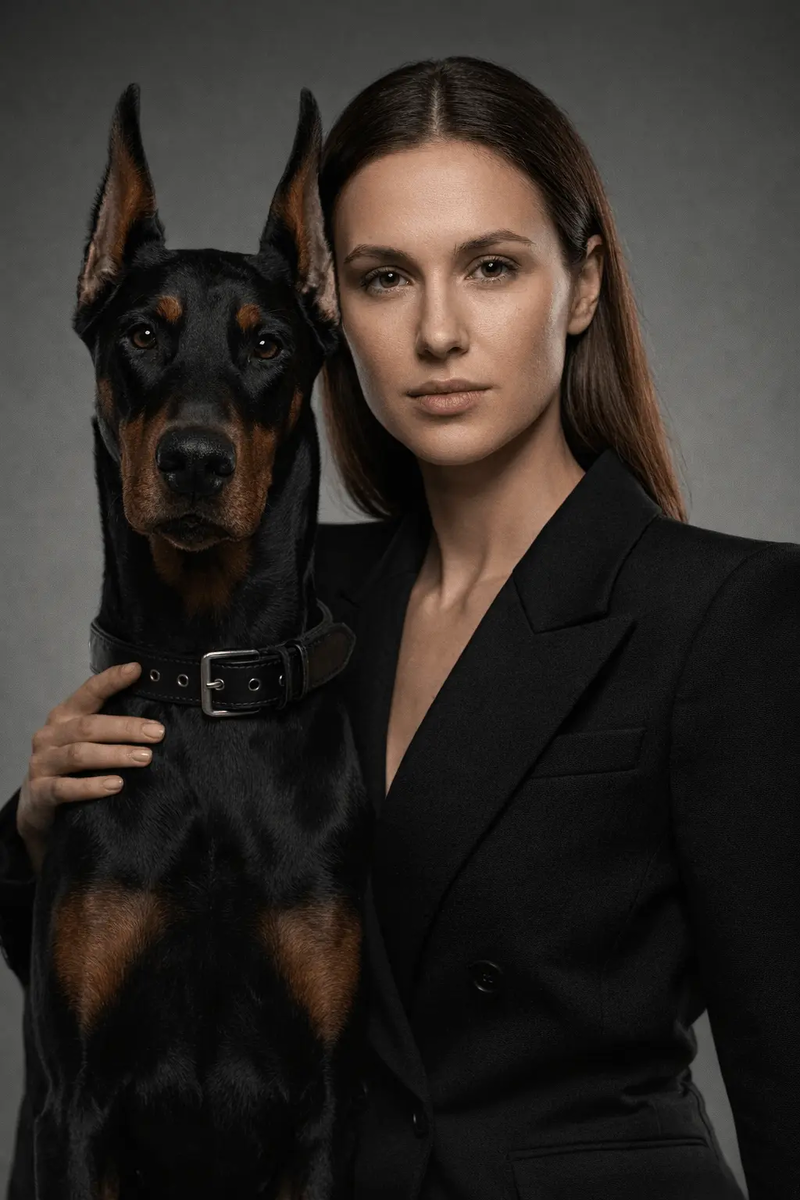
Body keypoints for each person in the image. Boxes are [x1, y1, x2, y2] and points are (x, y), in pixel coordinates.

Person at [1, 54, 798, 1200]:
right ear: (335, 310)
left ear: (578, 287)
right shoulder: (283, 613)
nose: (436, 331)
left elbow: (784, 1070)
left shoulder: (728, 616)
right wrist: (35, 831)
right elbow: (123, 1022)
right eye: (382, 277)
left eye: (488, 267)